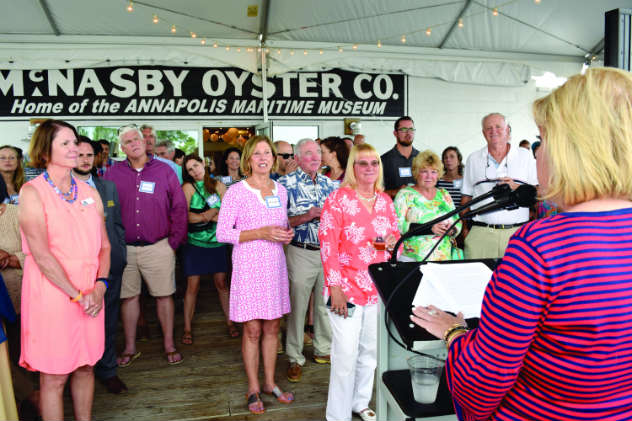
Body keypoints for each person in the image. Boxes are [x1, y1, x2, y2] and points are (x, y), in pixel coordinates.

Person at [411, 66, 632, 421]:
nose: (538, 154)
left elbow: (482, 381)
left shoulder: (541, 246)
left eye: (543, 142)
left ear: (571, 150)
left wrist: (454, 334)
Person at [18, 119, 111, 421]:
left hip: (91, 293)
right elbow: (42, 255)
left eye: (75, 142)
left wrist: (100, 286)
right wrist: (76, 295)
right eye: (66, 144)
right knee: (54, 376)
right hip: (53, 294)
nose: (75, 149)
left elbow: (105, 247)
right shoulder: (32, 192)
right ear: (45, 151)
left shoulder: (89, 191)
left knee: (86, 366)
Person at [319, 143, 400, 421]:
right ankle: (337, 415)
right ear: (353, 167)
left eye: (374, 163)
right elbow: (327, 245)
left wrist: (392, 245)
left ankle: (360, 402)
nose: (369, 168)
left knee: (371, 353)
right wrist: (335, 289)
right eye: (363, 163)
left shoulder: (385, 202)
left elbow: (395, 243)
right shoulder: (338, 199)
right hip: (346, 288)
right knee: (344, 356)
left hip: (376, 288)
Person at [216, 136, 295, 415]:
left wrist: (287, 234)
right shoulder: (236, 191)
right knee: (252, 330)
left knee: (273, 327)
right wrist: (260, 233)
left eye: (267, 153)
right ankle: (252, 386)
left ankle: (270, 382)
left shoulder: (281, 190)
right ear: (249, 159)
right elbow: (222, 233)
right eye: (257, 153)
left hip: (274, 265)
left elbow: (281, 224)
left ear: (273, 158)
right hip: (249, 266)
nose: (263, 158)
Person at [105, 124, 187, 366]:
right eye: (128, 141)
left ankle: (169, 344)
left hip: (159, 247)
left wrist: (173, 243)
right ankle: (130, 347)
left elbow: (179, 208)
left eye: (137, 139)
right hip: (125, 249)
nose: (134, 143)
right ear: (122, 148)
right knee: (128, 298)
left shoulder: (165, 171)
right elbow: (105, 211)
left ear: (145, 141)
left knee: (164, 296)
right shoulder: (112, 173)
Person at [278, 139, 337, 383]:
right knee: (298, 306)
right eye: (309, 153)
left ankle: (323, 350)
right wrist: (307, 216)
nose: (315, 157)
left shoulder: (330, 184)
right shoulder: (284, 184)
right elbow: (280, 223)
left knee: (325, 305)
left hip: (327, 251)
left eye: (318, 153)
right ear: (298, 157)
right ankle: (294, 356)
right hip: (300, 251)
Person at [73, 137, 128, 394]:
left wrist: (120, 255)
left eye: (89, 155)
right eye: (79, 155)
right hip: (74, 272)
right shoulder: (60, 190)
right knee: (76, 322)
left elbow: (116, 225)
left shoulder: (108, 188)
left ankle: (107, 370)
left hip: (109, 268)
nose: (84, 160)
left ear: (97, 158)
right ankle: (77, 371)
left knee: (108, 319)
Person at [460, 113, 538, 259]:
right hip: (481, 234)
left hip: (517, 233)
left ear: (508, 130)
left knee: (516, 281)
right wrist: (465, 230)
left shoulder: (525, 156)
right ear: (483, 133)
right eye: (488, 128)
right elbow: (466, 197)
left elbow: (537, 193)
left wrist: (516, 188)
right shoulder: (473, 158)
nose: (493, 131)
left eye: (498, 127)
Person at [180, 154, 237, 343]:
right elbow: (185, 217)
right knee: (192, 286)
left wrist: (205, 215)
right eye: (190, 169)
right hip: (195, 243)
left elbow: (229, 215)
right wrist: (210, 215)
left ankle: (230, 322)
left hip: (217, 242)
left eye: (196, 165)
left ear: (203, 164)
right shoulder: (188, 188)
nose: (195, 171)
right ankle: (187, 328)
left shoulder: (218, 185)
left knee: (221, 283)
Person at [394, 150, 462, 262]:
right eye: (424, 171)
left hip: (444, 258)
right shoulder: (405, 195)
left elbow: (457, 220)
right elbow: (399, 226)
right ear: (416, 173)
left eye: (434, 172)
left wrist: (452, 230)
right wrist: (430, 228)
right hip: (413, 259)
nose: (429, 176)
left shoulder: (444, 194)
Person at [381, 116, 419, 199]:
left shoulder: (422, 158)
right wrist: (395, 192)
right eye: (404, 129)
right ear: (395, 133)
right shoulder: (384, 160)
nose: (408, 133)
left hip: (420, 210)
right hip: (394, 210)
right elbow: (375, 192)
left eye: (411, 129)